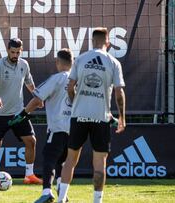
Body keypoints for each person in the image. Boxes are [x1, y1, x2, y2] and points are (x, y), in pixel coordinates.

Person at [57, 27, 126, 203]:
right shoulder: (113, 62)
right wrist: (122, 117)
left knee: (70, 160)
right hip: (101, 117)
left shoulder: (80, 59)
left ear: (92, 41)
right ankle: (97, 201)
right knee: (99, 163)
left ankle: (61, 199)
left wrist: (75, 104)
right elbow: (119, 94)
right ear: (108, 42)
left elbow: (70, 87)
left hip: (79, 116)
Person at [8, 48, 74, 202]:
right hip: (74, 129)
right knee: (62, 161)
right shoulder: (78, 80)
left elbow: (37, 99)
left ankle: (46, 192)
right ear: (73, 63)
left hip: (57, 127)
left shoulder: (57, 79)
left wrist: (22, 115)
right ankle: (62, 194)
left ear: (58, 62)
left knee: (49, 158)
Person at [0, 38, 42, 186]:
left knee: (31, 141)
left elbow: (29, 82)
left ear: (21, 51)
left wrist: (37, 97)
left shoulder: (24, 64)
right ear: (8, 51)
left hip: (18, 112)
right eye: (13, 52)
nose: (15, 55)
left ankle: (29, 175)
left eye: (18, 52)